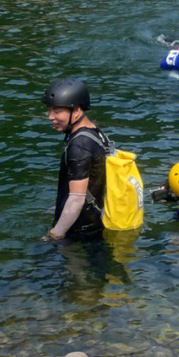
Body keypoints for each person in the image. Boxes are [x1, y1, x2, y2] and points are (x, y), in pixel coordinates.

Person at [44, 77, 107, 240]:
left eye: (57, 111)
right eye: (49, 110)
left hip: (81, 233)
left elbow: (76, 200)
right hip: (94, 221)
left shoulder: (79, 145)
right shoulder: (94, 132)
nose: (50, 116)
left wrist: (53, 235)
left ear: (77, 110)